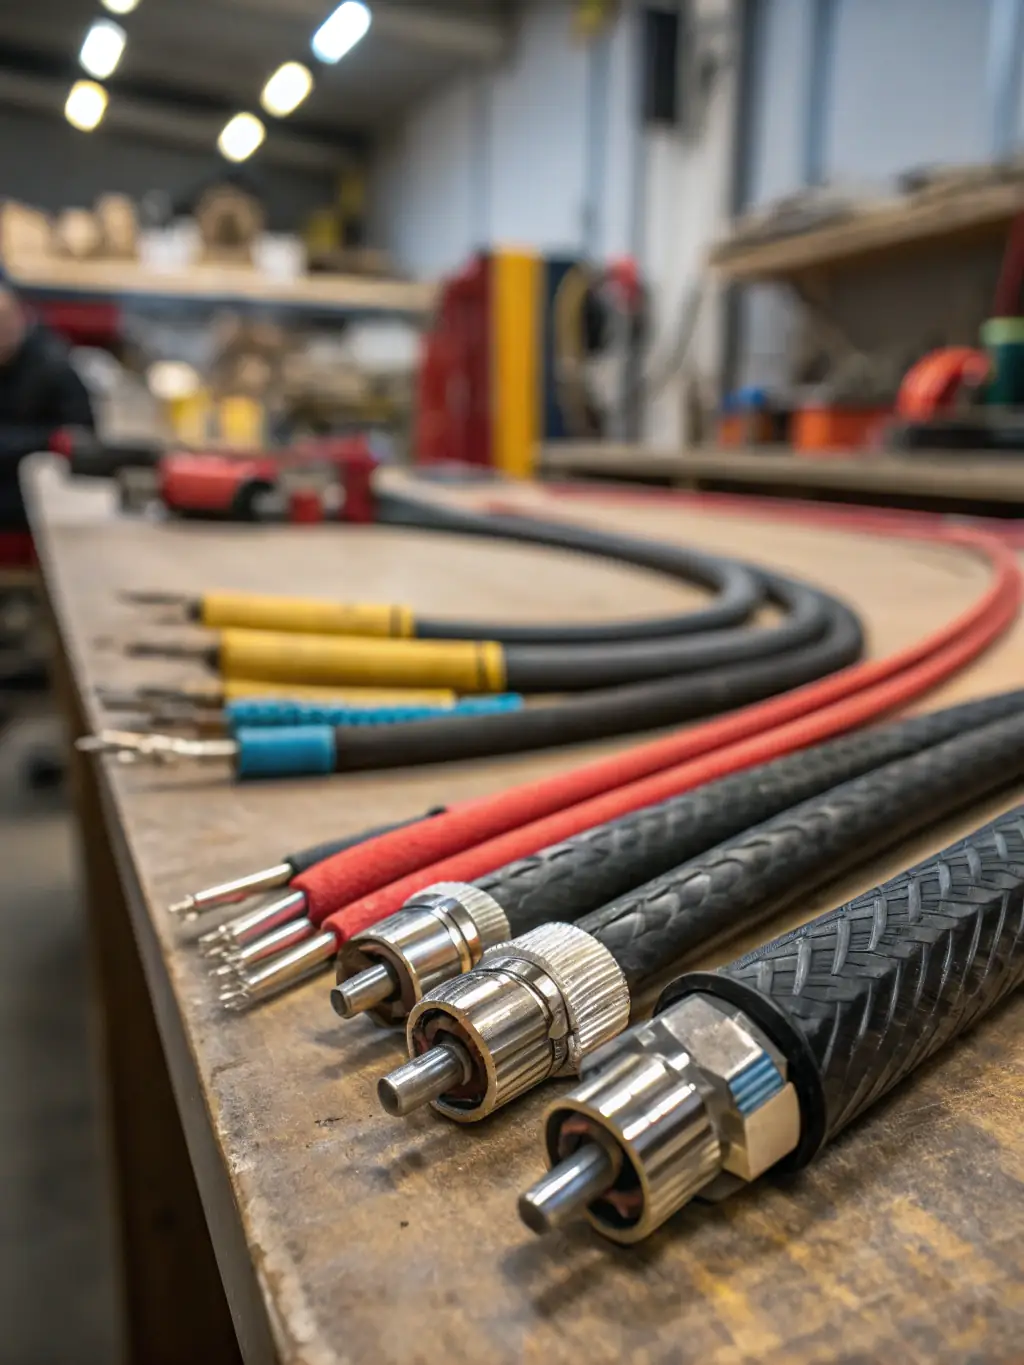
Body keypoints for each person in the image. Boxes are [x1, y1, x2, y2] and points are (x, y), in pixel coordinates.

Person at [0, 282, 94, 528]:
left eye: (4, 320)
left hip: (39, 493)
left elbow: (82, 438)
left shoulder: (52, 366)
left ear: (21, 318)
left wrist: (47, 443)